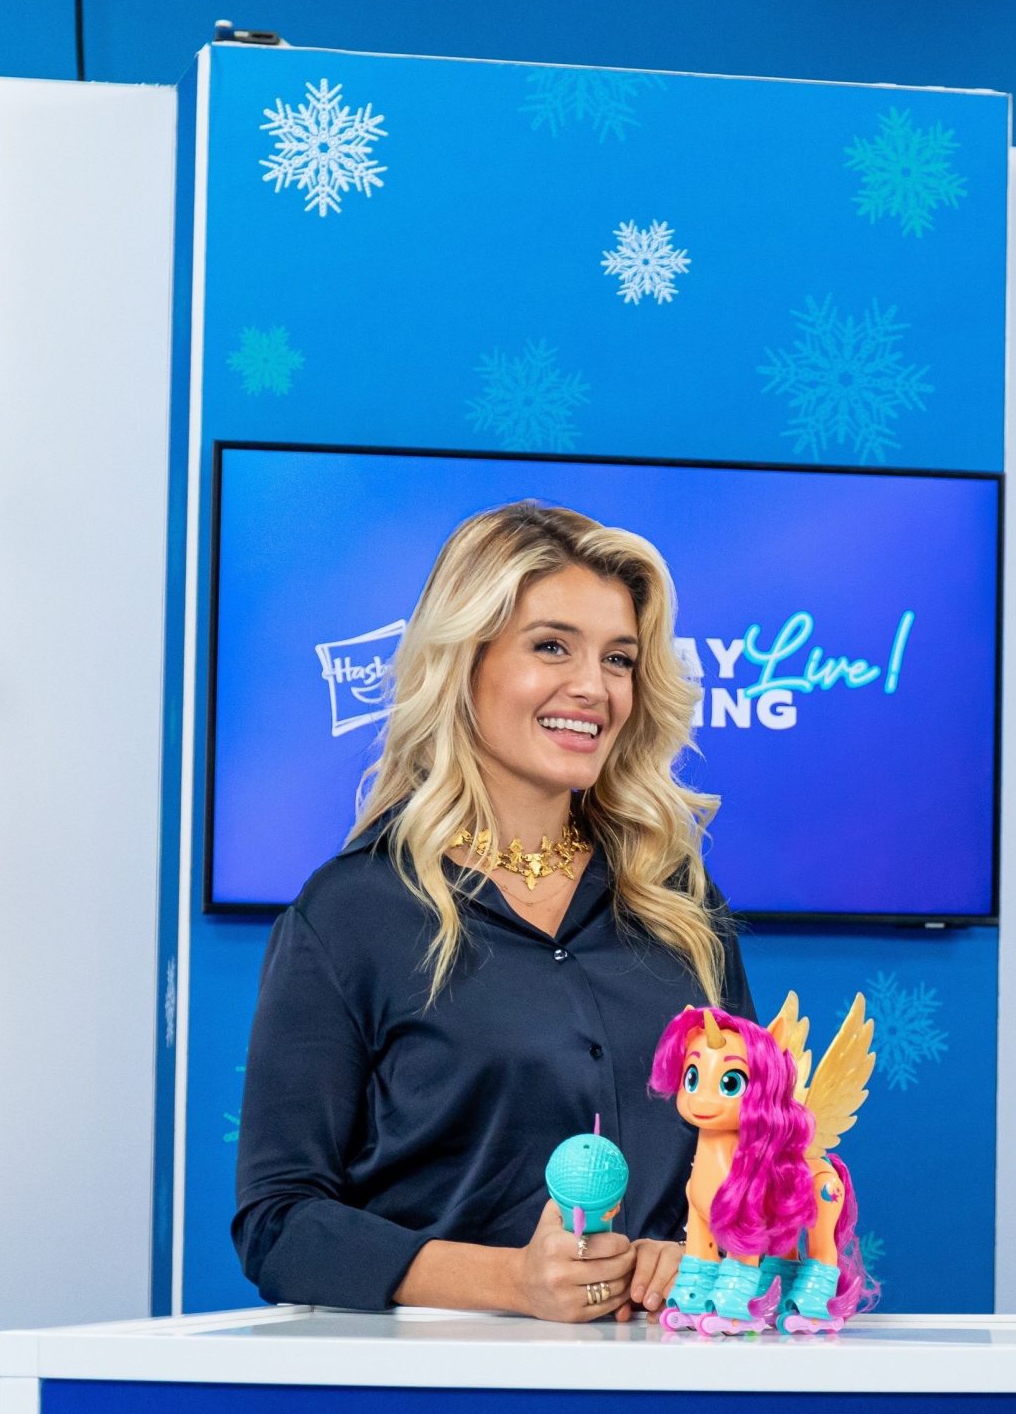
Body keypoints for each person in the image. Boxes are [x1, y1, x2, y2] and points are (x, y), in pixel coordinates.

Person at [234, 502, 753, 1321]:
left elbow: (755, 1161)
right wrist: (513, 1283)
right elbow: (279, 1226)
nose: (593, 687)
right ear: (462, 662)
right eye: (551, 647)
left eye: (618, 659)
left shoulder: (678, 901)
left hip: (667, 1372)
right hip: (440, 1381)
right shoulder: (351, 913)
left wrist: (695, 1250)